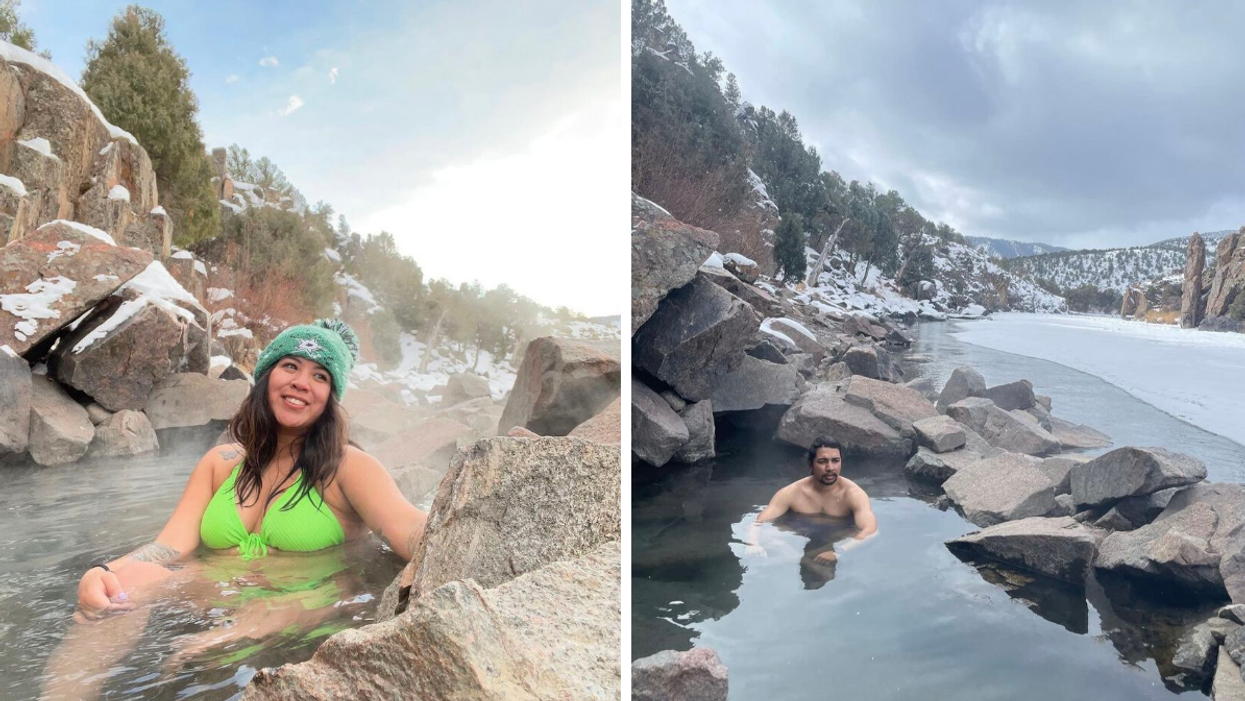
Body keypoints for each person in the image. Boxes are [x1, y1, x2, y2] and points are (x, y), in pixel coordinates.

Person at [48, 319, 427, 697]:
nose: (301, 382)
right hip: (209, 590)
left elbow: (410, 529)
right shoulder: (221, 462)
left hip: (304, 600)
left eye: (320, 376)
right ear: (266, 378)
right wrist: (107, 571)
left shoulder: (348, 467)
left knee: (234, 635)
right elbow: (170, 545)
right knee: (117, 591)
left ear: (330, 397)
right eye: (290, 366)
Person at [744, 436, 877, 562]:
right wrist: (752, 544)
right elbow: (759, 522)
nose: (830, 468)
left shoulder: (853, 494)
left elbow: (871, 531)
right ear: (810, 464)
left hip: (837, 536)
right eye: (822, 461)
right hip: (799, 535)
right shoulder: (791, 493)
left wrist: (840, 551)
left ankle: (809, 563)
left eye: (835, 461)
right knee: (771, 537)